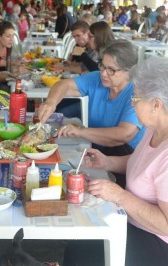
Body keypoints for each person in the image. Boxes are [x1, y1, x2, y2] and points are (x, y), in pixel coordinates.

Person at [63, 57, 168, 266]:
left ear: (157, 104)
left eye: (135, 99)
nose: (132, 103)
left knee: (83, 250)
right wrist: (108, 162)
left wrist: (118, 195)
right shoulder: (165, 123)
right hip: (152, 229)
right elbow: (148, 162)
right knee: (83, 231)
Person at [39, 39, 145, 187]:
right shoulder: (97, 79)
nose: (103, 73)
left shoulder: (137, 93)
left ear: (129, 72)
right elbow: (63, 85)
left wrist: (81, 131)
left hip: (128, 162)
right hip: (99, 151)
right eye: (102, 66)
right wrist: (51, 102)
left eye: (111, 70)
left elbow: (124, 134)